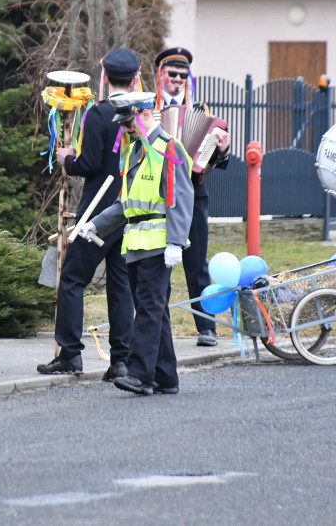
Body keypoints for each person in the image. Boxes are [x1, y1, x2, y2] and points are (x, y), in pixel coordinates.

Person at [77, 91, 194, 395]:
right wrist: (95, 223)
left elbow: (181, 198)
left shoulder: (169, 149)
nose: (125, 129)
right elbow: (124, 203)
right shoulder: (135, 151)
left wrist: (176, 243)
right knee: (153, 308)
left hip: (158, 245)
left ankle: (140, 374)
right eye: (124, 125)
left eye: (128, 123)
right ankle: (166, 376)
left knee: (148, 309)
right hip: (136, 244)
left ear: (144, 115)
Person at [37, 48, 138, 380]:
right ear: (136, 79)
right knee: (120, 286)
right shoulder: (140, 115)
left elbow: (89, 164)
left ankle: (70, 354)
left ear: (104, 77)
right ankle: (120, 361)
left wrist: (67, 157)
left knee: (72, 279)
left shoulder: (97, 114)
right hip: (129, 211)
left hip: (97, 214)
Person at [154, 47, 231, 347]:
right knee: (158, 264)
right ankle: (161, 329)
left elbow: (217, 161)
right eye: (172, 74)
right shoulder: (150, 109)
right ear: (160, 74)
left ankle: (206, 327)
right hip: (161, 196)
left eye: (183, 76)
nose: (177, 80)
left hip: (195, 194)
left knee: (197, 264)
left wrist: (222, 149)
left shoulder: (200, 109)